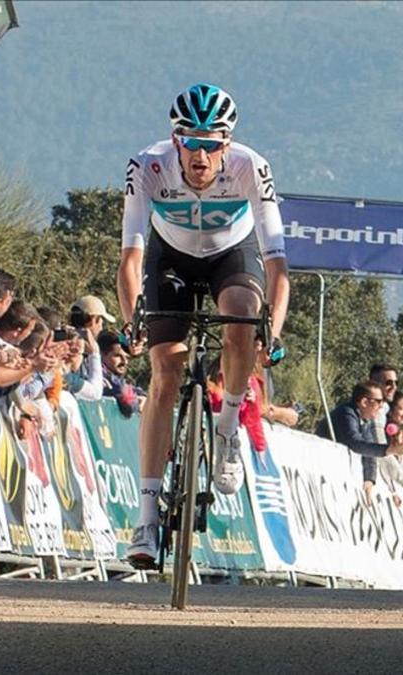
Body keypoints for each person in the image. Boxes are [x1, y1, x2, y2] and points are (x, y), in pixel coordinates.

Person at [116, 83, 292, 568]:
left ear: (226, 146)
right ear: (175, 142)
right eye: (190, 142)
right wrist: (134, 320)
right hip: (168, 258)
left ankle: (228, 424)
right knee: (165, 374)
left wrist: (270, 332)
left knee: (240, 320)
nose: (200, 153)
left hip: (230, 256)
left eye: (211, 144)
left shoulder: (250, 168)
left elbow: (278, 270)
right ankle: (147, 518)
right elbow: (130, 260)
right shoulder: (147, 166)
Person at [316, 381, 403, 500]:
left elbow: (369, 451)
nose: (381, 407)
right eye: (379, 402)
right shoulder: (346, 413)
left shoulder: (365, 420)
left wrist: (369, 480)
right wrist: (388, 450)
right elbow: (356, 443)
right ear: (364, 402)